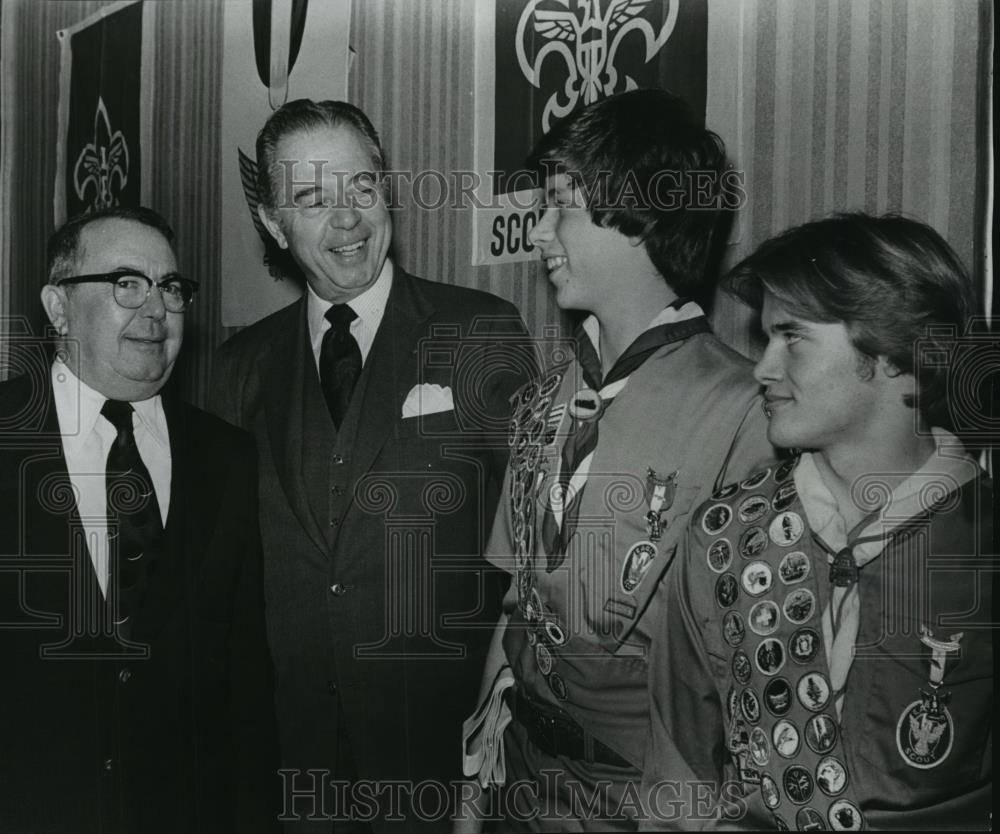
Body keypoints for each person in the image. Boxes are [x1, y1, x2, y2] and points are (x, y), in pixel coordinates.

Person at [211, 99, 535, 832]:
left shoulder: (481, 331)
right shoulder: (237, 371)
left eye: (361, 188)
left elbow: (535, 558)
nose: (348, 220)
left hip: (442, 769)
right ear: (273, 223)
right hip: (293, 771)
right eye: (312, 200)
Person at [462, 89, 774, 831]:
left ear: (639, 217)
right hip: (522, 784)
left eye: (560, 205)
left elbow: (747, 687)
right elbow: (514, 614)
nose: (538, 232)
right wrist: (473, 792)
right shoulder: (546, 400)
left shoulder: (745, 415)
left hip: (641, 802)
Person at [643, 213, 993, 830]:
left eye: (792, 337)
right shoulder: (723, 537)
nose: (762, 368)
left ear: (892, 350)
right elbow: (679, 776)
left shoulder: (982, 542)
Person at [0, 206, 279, 833]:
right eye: (127, 283)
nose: (155, 309)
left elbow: (246, 689)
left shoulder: (227, 458)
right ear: (58, 306)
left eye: (170, 288)